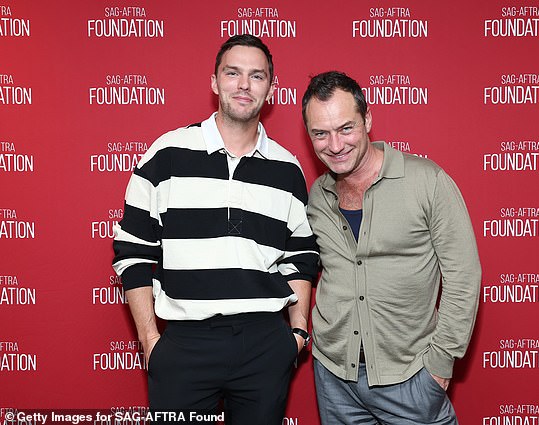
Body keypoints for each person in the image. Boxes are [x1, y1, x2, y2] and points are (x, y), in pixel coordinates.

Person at [112, 34, 319, 424]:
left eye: (257, 76)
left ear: (271, 90)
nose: (244, 85)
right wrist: (150, 341)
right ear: (214, 82)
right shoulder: (165, 154)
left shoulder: (287, 169)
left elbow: (302, 258)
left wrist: (297, 335)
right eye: (233, 73)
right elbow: (133, 252)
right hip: (185, 345)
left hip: (264, 344)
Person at [302, 71, 481, 425]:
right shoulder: (317, 196)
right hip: (334, 376)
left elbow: (463, 276)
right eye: (320, 133)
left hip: (411, 376)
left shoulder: (426, 181)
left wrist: (439, 364)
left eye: (346, 128)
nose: (334, 145)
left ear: (368, 119)